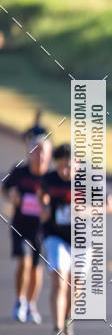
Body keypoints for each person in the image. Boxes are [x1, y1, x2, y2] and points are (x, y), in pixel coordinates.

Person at [3, 134, 52, 324]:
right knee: (23, 261)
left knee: (35, 268)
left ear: (49, 155)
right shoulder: (20, 172)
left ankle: (32, 304)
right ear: (29, 152)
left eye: (44, 152)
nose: (39, 155)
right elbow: (4, 188)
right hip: (20, 226)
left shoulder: (51, 177)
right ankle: (20, 301)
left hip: (42, 230)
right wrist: (11, 196)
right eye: (36, 151)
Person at [39, 144, 72, 335]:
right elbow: (40, 195)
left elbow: (109, 203)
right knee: (59, 279)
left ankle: (67, 319)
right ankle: (57, 329)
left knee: (75, 288)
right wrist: (43, 207)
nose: (65, 171)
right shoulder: (49, 179)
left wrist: (89, 210)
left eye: (69, 166)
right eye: (61, 167)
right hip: (54, 235)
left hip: (81, 239)